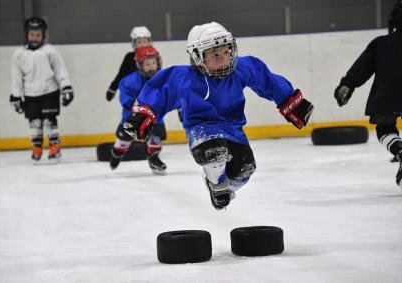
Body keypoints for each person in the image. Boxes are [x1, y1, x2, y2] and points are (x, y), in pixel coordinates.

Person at [120, 22, 314, 210]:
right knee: (213, 152)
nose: (222, 57)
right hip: (201, 128)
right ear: (198, 56)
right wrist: (142, 115)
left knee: (245, 169)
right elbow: (160, 91)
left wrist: (290, 101)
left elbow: (268, 80)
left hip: (233, 129)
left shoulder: (242, 68)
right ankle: (218, 183)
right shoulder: (185, 78)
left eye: (226, 51)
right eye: (214, 54)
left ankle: (222, 191)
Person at [334, 0, 402, 187]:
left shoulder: (381, 44)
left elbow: (360, 70)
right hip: (386, 95)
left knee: (385, 129)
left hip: (386, 96)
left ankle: (400, 151)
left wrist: (346, 86)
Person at [9, 17, 74, 163]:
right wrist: (16, 95)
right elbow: (16, 77)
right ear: (26, 35)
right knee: (34, 123)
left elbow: (60, 70)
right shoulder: (18, 54)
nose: (35, 37)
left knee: (49, 121)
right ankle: (37, 147)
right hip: (31, 94)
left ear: (43, 35)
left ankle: (54, 147)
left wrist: (66, 87)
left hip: (49, 92)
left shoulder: (50, 51)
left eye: (38, 35)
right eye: (32, 34)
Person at [110, 45, 167, 174]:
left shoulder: (163, 79)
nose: (152, 66)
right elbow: (125, 99)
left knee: (155, 137)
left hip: (155, 118)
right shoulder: (129, 81)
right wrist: (135, 104)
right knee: (124, 140)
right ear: (140, 65)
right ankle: (117, 154)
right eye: (148, 64)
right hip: (131, 117)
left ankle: (154, 159)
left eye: (154, 62)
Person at [106, 26, 152, 101]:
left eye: (144, 41)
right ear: (134, 44)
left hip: (147, 94)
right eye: (139, 42)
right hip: (131, 95)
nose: (142, 44)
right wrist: (112, 88)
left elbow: (158, 76)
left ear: (149, 42)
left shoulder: (153, 57)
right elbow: (121, 74)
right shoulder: (129, 57)